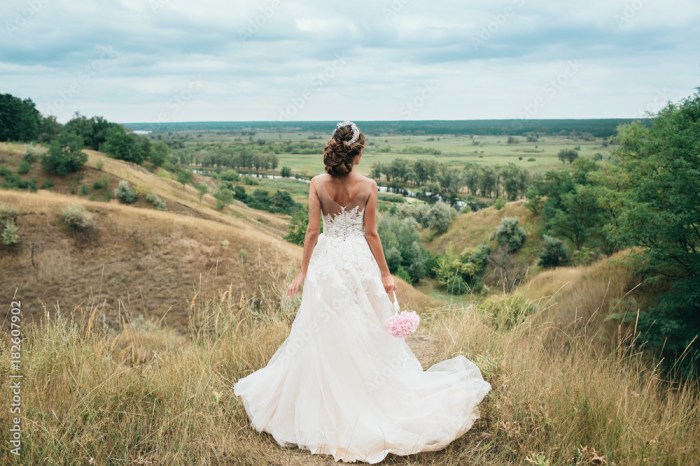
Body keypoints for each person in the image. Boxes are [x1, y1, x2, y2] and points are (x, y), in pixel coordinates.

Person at [233, 121, 491, 464]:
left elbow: (312, 231)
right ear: (357, 153)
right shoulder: (369, 186)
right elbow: (371, 235)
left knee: (321, 330)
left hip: (328, 265)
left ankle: (326, 402)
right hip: (357, 263)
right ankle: (368, 393)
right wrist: (385, 273)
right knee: (366, 326)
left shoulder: (316, 184)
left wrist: (303, 271)